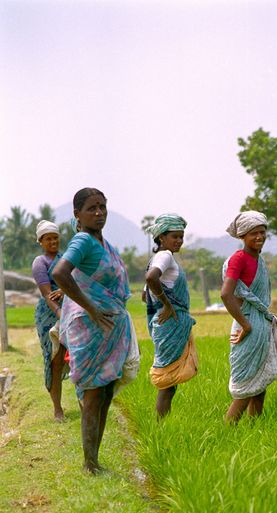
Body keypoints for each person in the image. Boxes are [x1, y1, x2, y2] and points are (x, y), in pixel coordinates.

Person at [52, 188, 139, 473]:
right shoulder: (83, 241)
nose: (99, 212)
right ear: (77, 214)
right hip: (91, 326)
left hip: (109, 327)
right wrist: (90, 307)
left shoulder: (103, 243)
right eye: (92, 208)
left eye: (102, 207)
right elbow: (60, 273)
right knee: (93, 393)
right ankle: (90, 463)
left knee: (105, 392)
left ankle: (95, 460)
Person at [221, 210, 277, 423]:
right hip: (248, 327)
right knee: (244, 388)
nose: (259, 236)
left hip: (260, 324)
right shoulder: (239, 259)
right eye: (253, 233)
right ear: (243, 235)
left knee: (260, 384)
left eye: (262, 232)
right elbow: (226, 294)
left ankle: (255, 429)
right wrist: (245, 325)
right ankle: (227, 432)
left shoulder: (258, 260)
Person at [145, 214, 198, 418]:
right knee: (167, 382)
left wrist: (162, 302)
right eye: (174, 236)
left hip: (168, 323)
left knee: (170, 381)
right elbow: (151, 279)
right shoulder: (165, 256)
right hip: (169, 323)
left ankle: (163, 424)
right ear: (161, 238)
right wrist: (167, 304)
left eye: (181, 237)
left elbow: (145, 294)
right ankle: (161, 426)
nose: (179, 241)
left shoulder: (157, 259)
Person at [32, 220, 68, 421]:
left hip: (71, 310)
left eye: (55, 237)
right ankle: (57, 409)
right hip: (49, 314)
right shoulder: (40, 262)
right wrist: (60, 313)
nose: (53, 241)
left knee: (75, 357)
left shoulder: (66, 259)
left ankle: (84, 403)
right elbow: (48, 294)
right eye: (48, 239)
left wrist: (65, 290)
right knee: (55, 358)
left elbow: (77, 280)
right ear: (41, 242)